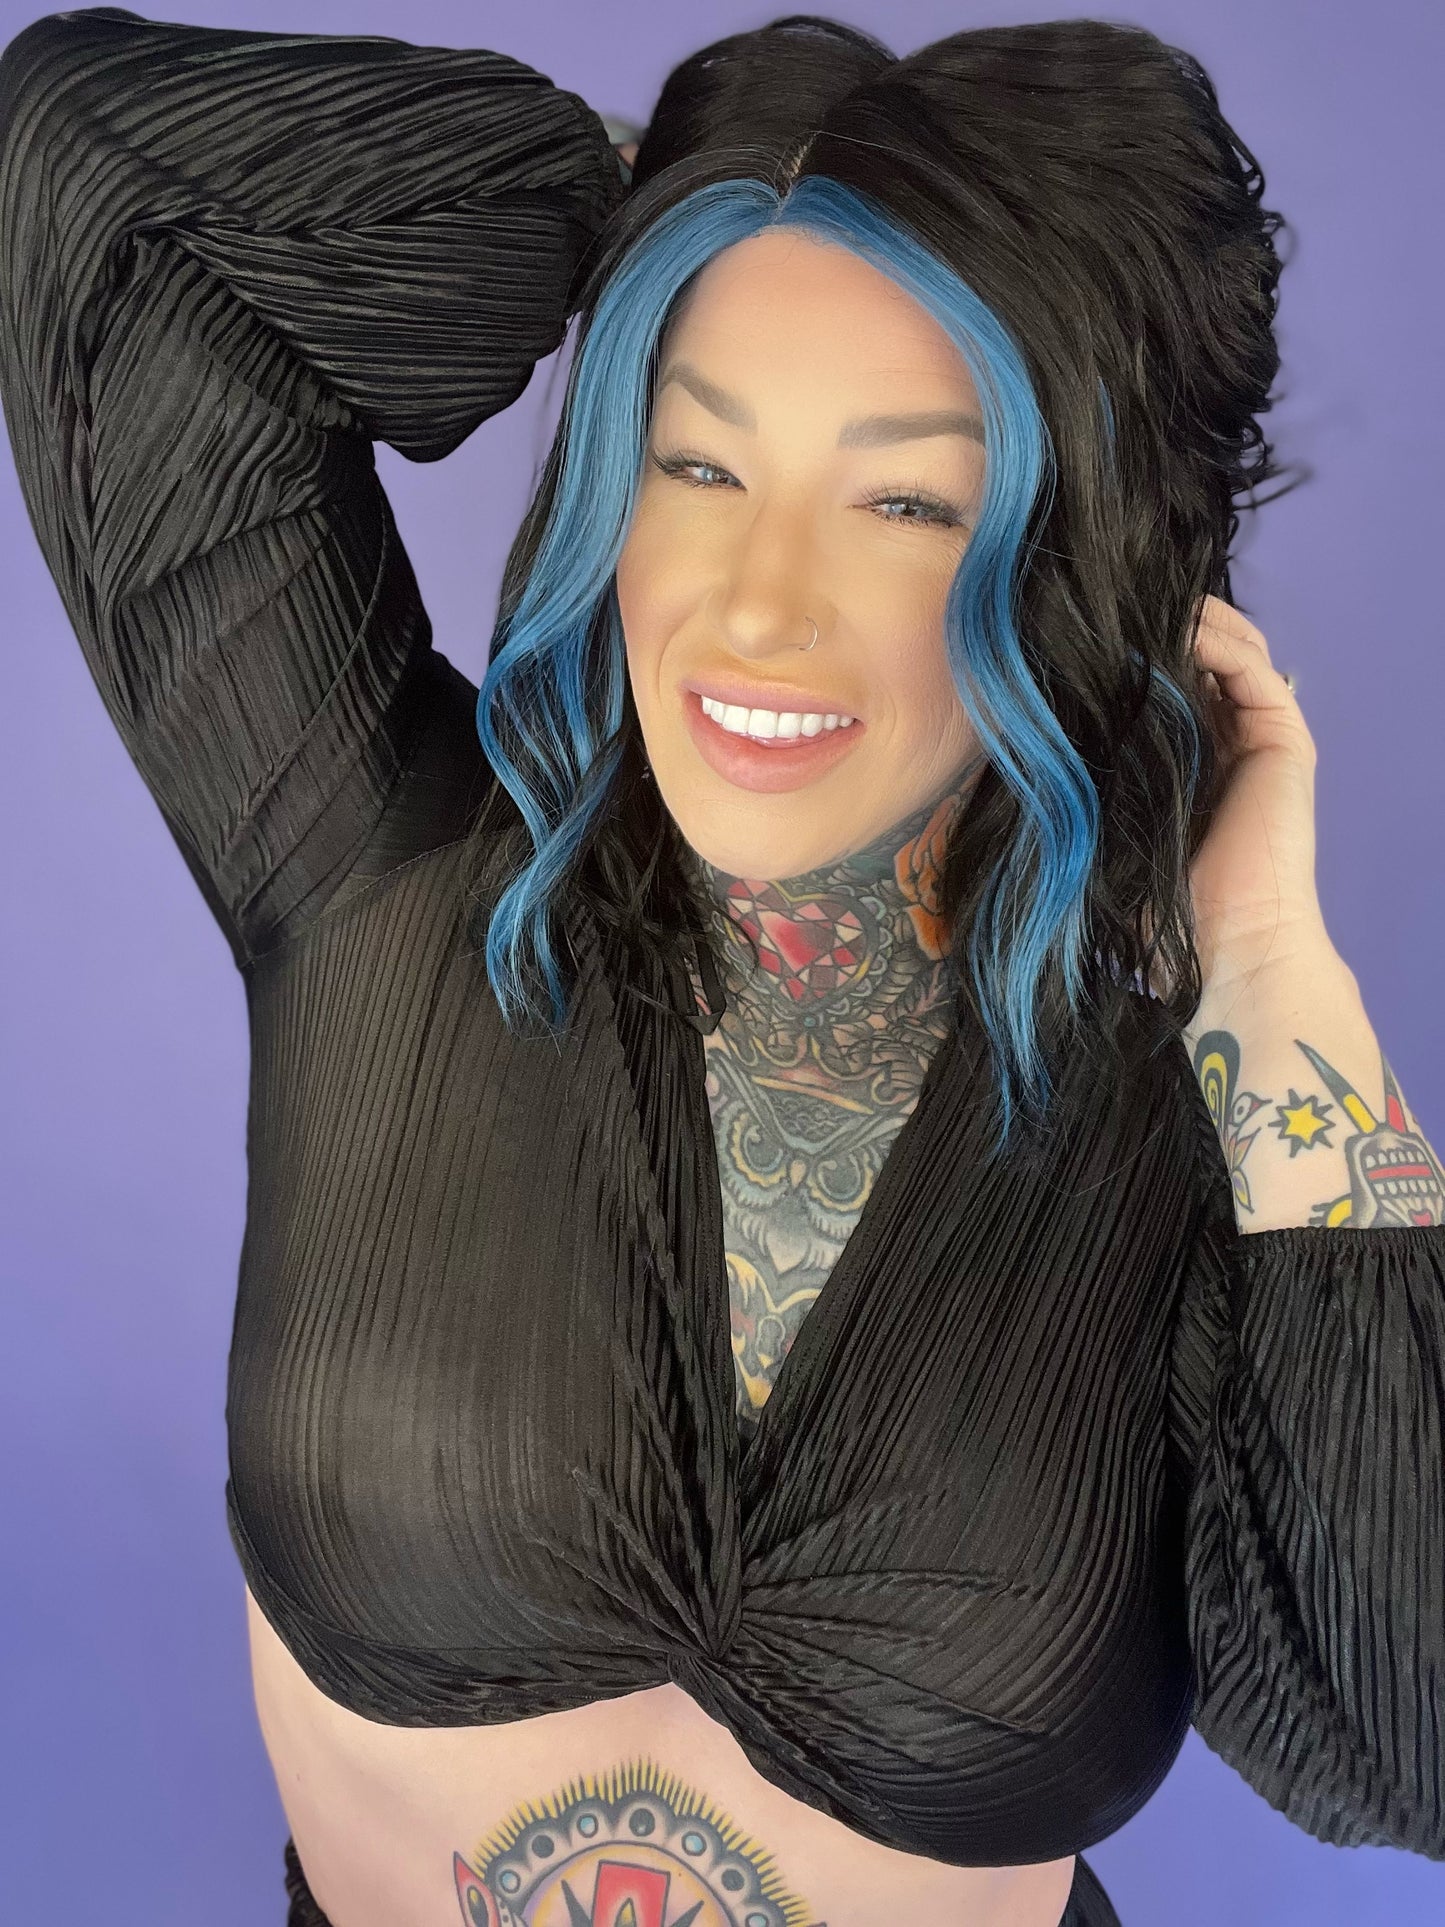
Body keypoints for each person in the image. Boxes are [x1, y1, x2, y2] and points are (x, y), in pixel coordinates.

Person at [1, 8, 1441, 1925]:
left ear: (1080, 557)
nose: (759, 606)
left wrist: (1267, 977)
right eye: (694, 462)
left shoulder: (1196, 1110)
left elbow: (1409, 1738)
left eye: (908, 502)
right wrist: (699, 183)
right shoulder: (365, 850)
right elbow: (97, 169)